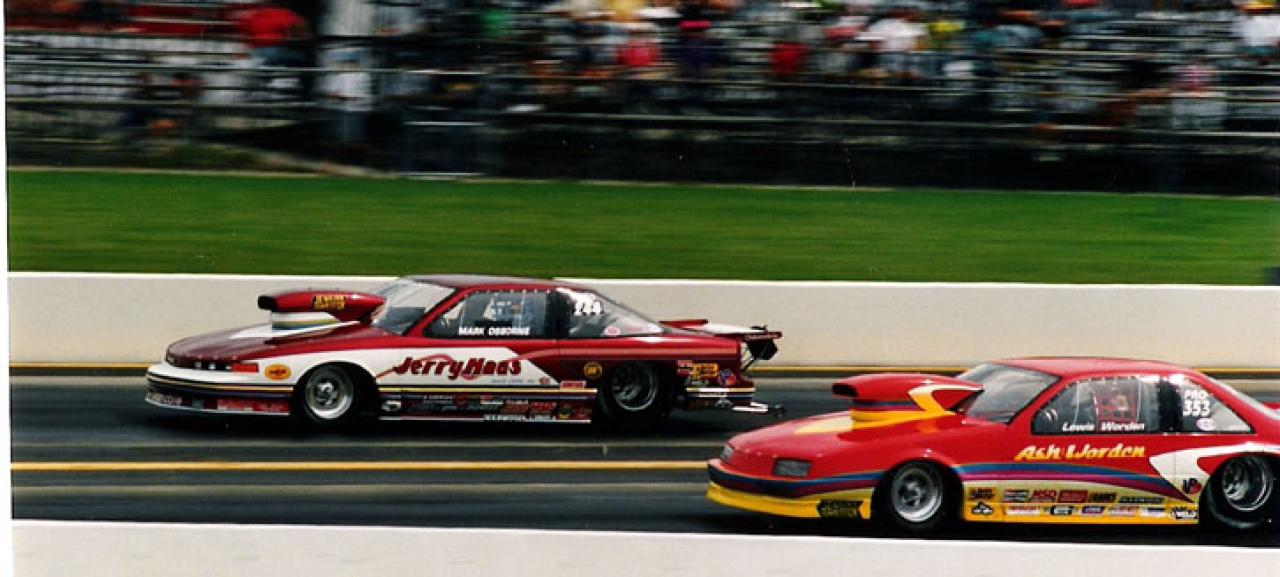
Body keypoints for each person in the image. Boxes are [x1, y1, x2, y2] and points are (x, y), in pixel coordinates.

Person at [235, 0, 310, 67]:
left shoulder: (253, 15)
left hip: (255, 52)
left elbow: (243, 35)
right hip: (276, 51)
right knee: (301, 57)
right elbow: (301, 30)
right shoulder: (285, 14)